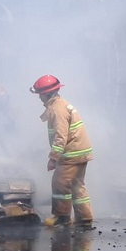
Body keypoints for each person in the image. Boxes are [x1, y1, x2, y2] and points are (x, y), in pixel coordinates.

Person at [29, 74, 93, 228]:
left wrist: (53, 158)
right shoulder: (60, 104)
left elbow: (60, 136)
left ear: (47, 93)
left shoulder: (57, 109)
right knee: (77, 185)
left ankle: (61, 217)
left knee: (60, 185)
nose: (39, 98)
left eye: (40, 94)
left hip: (71, 154)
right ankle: (84, 217)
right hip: (81, 152)